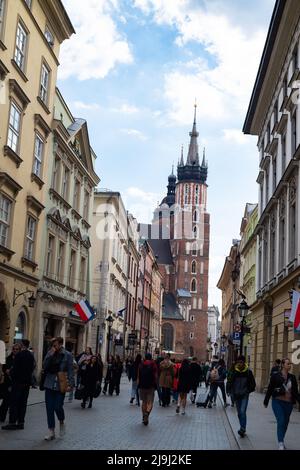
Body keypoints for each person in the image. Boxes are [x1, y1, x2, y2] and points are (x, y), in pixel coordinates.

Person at [264, 358, 300, 450]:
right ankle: (280, 443)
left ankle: (281, 440)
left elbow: (295, 392)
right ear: (283, 365)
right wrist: (266, 400)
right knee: (281, 420)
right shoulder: (276, 376)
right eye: (288, 364)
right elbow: (270, 388)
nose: (290, 365)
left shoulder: (292, 377)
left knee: (286, 422)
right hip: (277, 402)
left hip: (288, 404)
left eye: (290, 364)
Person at [43, 337, 74, 441]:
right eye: (53, 345)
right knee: (49, 409)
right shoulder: (50, 353)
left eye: (55, 345)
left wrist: (71, 384)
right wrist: (50, 355)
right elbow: (44, 365)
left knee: (57, 406)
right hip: (49, 383)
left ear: (60, 344)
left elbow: (70, 370)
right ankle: (51, 431)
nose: (54, 347)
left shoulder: (67, 355)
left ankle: (61, 421)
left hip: (60, 384)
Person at [2, 339, 35, 431]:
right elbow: (32, 368)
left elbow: (15, 370)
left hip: (17, 383)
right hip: (26, 383)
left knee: (14, 403)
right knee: (23, 403)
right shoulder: (30, 355)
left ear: (22, 345)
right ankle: (21, 422)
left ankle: (12, 422)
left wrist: (9, 372)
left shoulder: (19, 355)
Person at [226, 355, 256, 438]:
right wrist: (228, 390)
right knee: (239, 413)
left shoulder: (248, 372)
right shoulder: (233, 371)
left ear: (244, 362)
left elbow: (253, 384)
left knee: (242, 411)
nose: (240, 364)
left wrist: (248, 391)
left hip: (244, 395)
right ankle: (242, 427)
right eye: (238, 362)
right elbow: (229, 381)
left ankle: (243, 428)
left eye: (241, 362)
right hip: (236, 395)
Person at [0, 343, 21, 423]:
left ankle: (13, 419)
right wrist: (5, 371)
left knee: (14, 402)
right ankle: (2, 417)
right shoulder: (8, 358)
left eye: (17, 349)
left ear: (19, 350)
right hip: (7, 383)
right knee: (5, 401)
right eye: (14, 349)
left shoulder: (20, 359)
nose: (15, 351)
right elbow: (4, 368)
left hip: (16, 383)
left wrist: (11, 372)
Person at [138, 353, 158, 425]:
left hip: (142, 386)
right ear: (151, 357)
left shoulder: (141, 364)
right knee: (150, 402)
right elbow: (155, 376)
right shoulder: (153, 364)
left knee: (144, 402)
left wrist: (139, 384)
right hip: (151, 386)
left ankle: (144, 416)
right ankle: (147, 413)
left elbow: (138, 375)